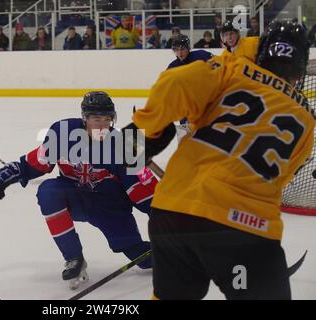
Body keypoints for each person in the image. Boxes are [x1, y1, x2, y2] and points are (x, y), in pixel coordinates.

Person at [122, 20, 313, 300]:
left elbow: (175, 82)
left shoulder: (231, 70)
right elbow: (283, 177)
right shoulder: (306, 119)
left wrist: (146, 135)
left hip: (173, 214)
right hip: (245, 228)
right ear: (299, 68)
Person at [0, 92, 155, 289]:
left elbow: (142, 189)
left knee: (143, 258)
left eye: (106, 119)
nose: (102, 125)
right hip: (75, 196)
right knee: (49, 192)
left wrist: (168, 215)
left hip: (111, 207)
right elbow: (39, 161)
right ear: (85, 118)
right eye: (95, 119)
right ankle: (74, 258)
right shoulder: (63, 132)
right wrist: (13, 172)